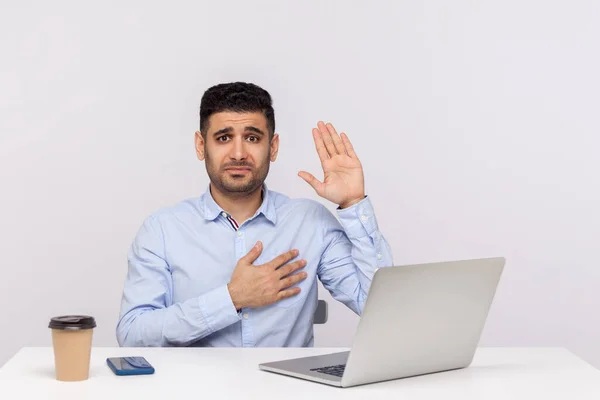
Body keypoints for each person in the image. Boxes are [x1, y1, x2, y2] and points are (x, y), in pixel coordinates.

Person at [116, 82, 393, 347]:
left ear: (272, 147)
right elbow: (132, 333)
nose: (238, 153)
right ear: (201, 146)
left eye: (252, 138)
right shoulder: (162, 229)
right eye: (224, 138)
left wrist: (353, 202)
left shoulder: (311, 223)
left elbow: (380, 309)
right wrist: (232, 298)